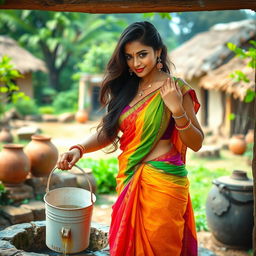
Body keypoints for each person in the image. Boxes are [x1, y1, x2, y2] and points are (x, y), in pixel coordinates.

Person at [57, 21, 204, 256]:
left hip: (163, 184)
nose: (136, 63)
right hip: (130, 179)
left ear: (158, 52)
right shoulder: (127, 88)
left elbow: (196, 143)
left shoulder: (175, 89)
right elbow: (109, 131)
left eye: (142, 54)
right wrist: (79, 149)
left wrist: (177, 110)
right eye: (129, 57)